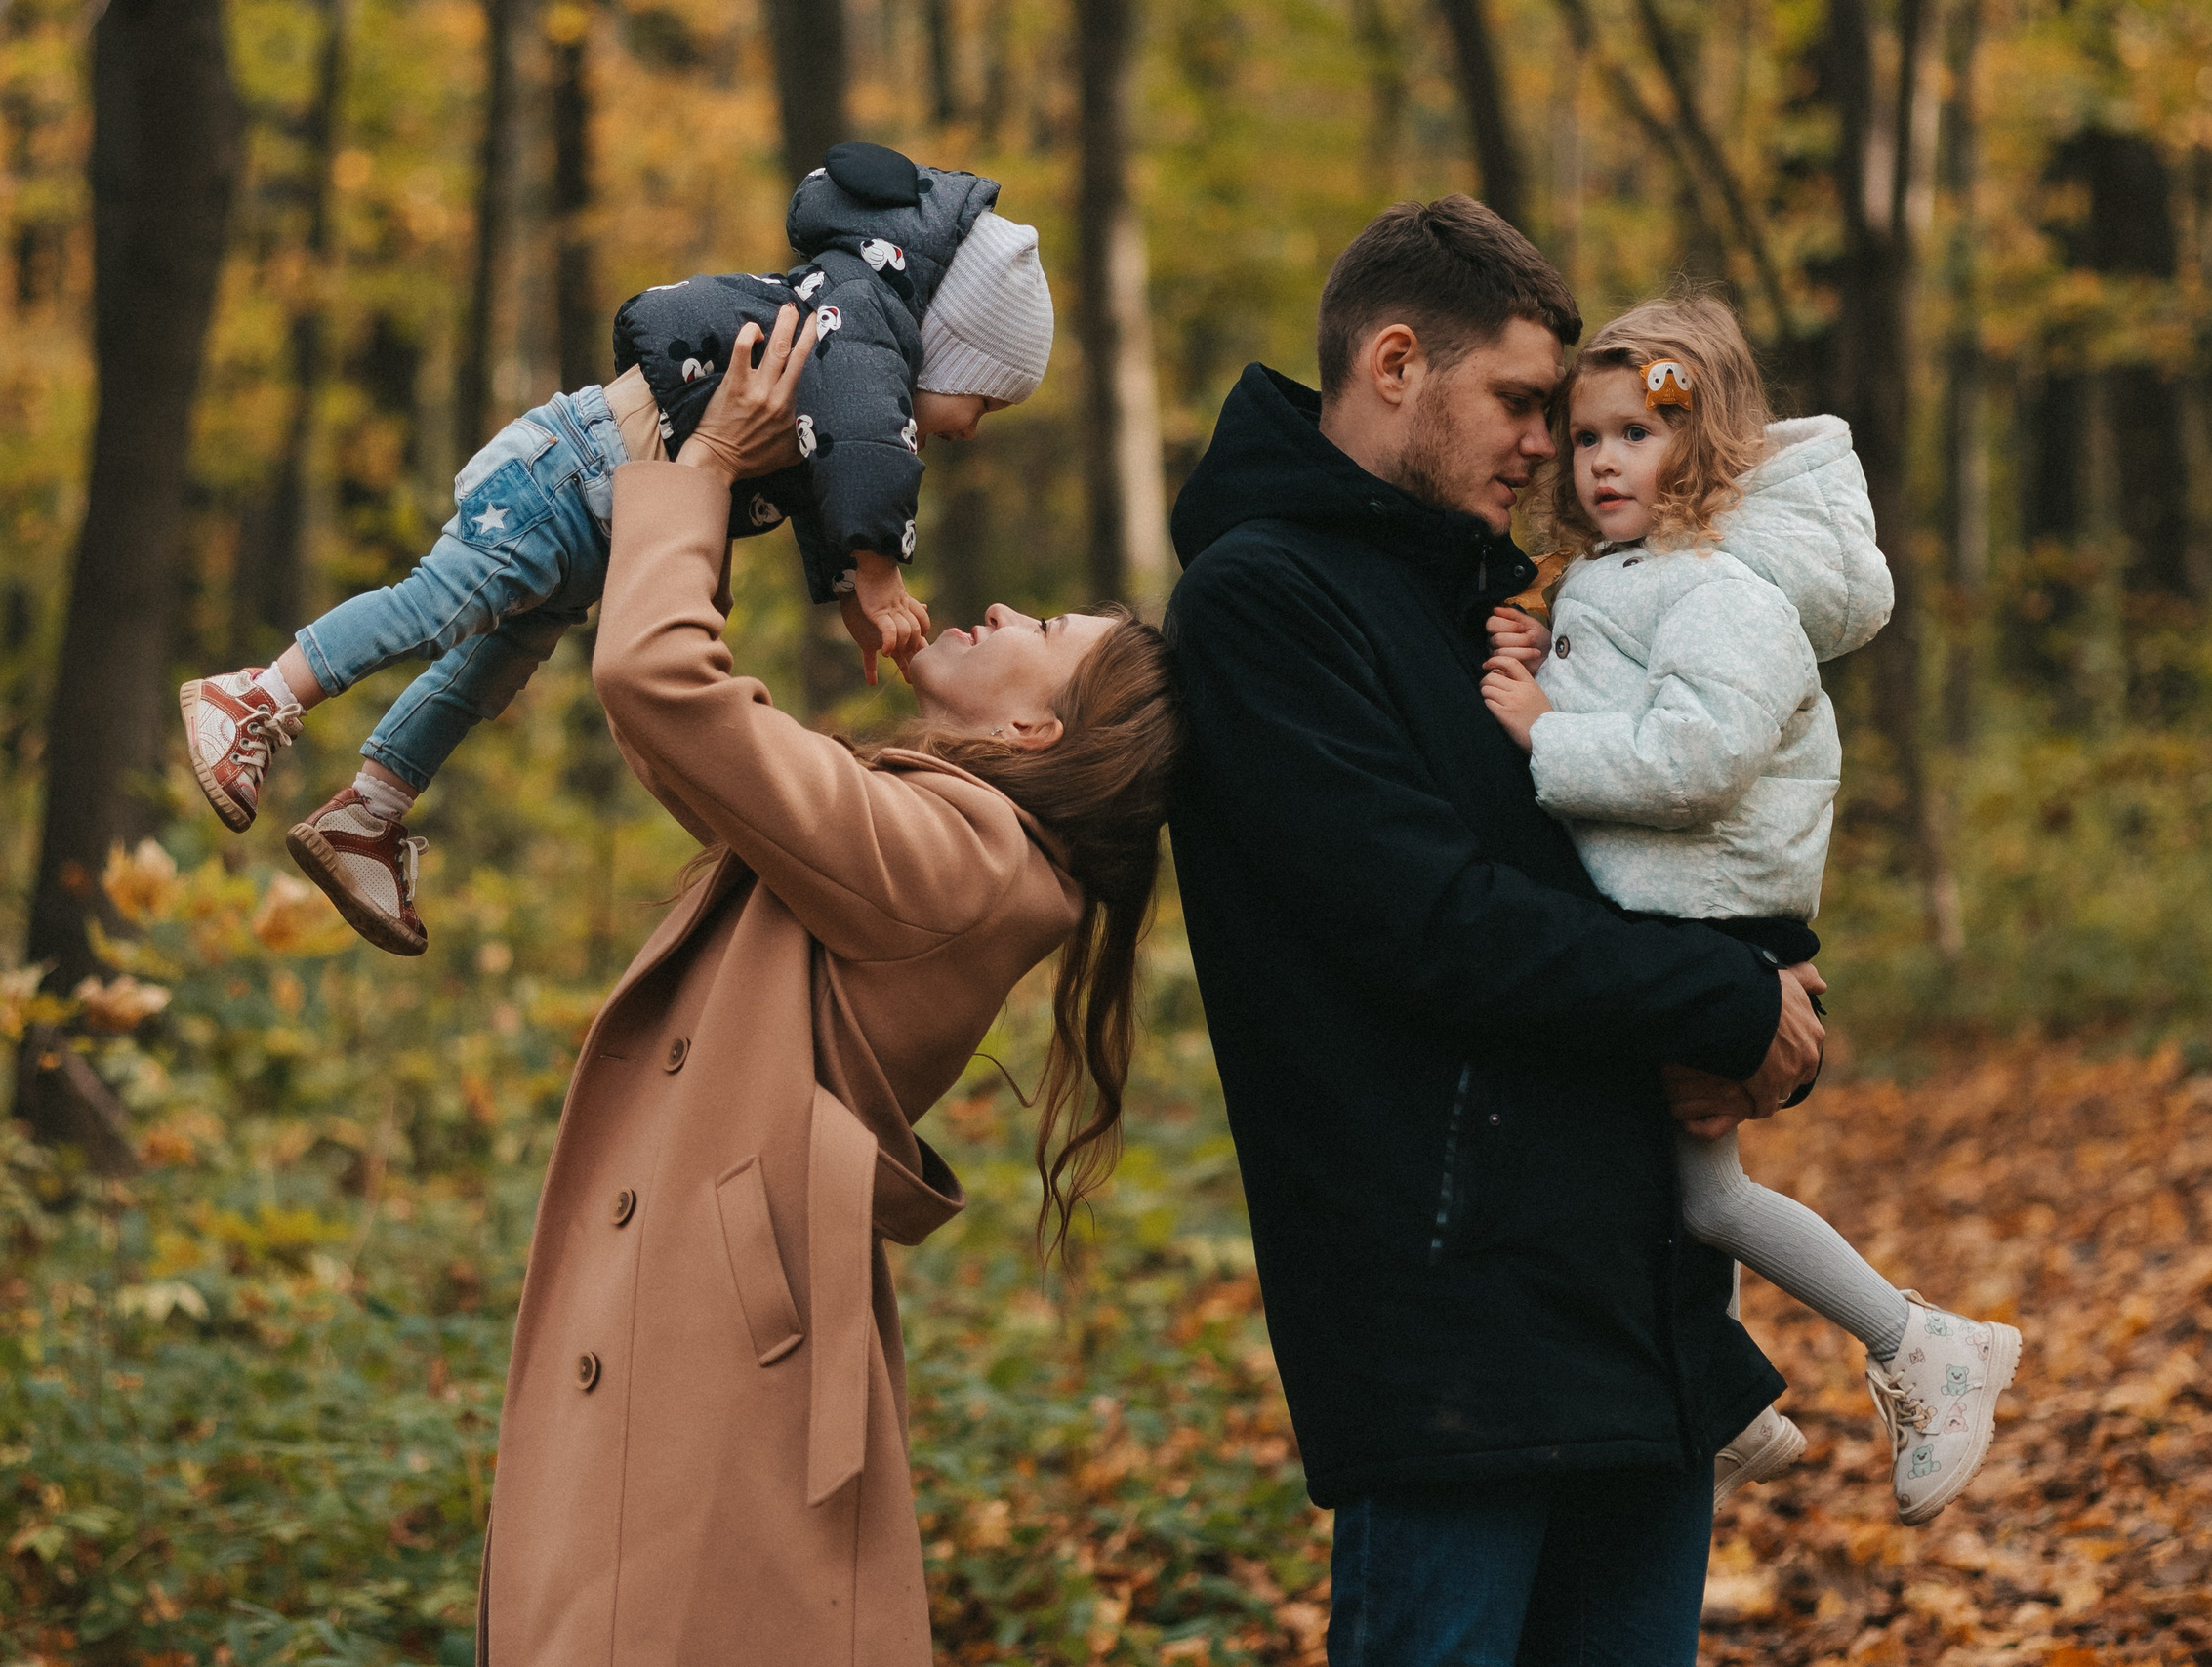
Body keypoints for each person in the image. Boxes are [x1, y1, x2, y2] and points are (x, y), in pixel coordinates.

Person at [1164, 196, 1826, 1667]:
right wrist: (1718, 1001)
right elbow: (1434, 928)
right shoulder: (1259, 606)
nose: (1550, 446)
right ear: (1396, 362)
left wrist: (1773, 996)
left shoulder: (1506, 606)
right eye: (1520, 403)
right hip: (1450, 1339)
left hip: (1635, 1318)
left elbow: (1662, 862)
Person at [474, 305, 1180, 1665]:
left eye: (1041, 626)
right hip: (690, 1351)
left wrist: (708, 474)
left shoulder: (959, 861)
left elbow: (656, 684)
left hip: (705, 1385)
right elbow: (698, 742)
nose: (998, 607)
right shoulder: (932, 833)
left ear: (1040, 730)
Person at [178, 141, 1055, 955]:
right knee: (435, 607)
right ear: (950, 348)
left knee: (487, 671)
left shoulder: (842, 346)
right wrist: (879, 570)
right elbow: (868, 444)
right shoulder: (859, 327)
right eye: (986, 401)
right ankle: (252, 697)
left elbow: (822, 478)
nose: (973, 430)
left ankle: (367, 814)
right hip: (570, 476)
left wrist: (845, 593)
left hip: (606, 520)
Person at [1476, 292, 2021, 1526]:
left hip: (1708, 916)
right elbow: (1629, 679)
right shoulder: (1637, 575)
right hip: (1671, 908)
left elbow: (1696, 757)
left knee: (1700, 1193)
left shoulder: (1729, 588)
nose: (1605, 460)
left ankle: (1921, 1342)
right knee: (1656, 1173)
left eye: (1638, 434)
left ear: (1706, 446)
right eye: (1586, 437)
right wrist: (1538, 644)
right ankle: (1724, 1405)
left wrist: (1542, 727)